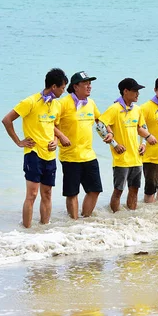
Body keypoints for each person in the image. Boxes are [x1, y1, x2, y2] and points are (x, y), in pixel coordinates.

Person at [1, 68, 68, 228]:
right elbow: (7, 120)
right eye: (62, 87)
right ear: (53, 86)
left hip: (50, 155)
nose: (63, 91)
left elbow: (55, 126)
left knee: (47, 194)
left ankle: (44, 229)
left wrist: (56, 141)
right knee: (32, 194)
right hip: (33, 153)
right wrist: (18, 141)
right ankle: (27, 231)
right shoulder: (30, 101)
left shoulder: (57, 105)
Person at [55, 71, 107, 220]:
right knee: (72, 193)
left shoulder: (91, 103)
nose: (89, 86)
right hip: (70, 156)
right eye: (86, 83)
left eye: (90, 83)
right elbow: (51, 123)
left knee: (95, 190)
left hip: (89, 155)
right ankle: (74, 222)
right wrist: (60, 136)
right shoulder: (62, 103)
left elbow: (99, 121)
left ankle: (85, 220)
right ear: (75, 86)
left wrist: (108, 134)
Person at [99, 78, 154, 212]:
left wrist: (144, 143)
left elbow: (142, 127)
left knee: (134, 189)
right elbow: (100, 125)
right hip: (121, 159)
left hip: (136, 157)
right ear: (125, 91)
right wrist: (114, 144)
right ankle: (115, 217)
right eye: (135, 91)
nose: (138, 94)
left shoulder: (137, 109)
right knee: (118, 190)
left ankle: (131, 216)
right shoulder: (114, 108)